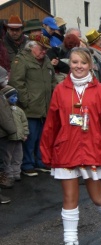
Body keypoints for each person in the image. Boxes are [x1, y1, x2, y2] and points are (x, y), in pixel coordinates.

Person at [40, 47, 101, 245]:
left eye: (83, 63)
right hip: (66, 149)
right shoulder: (60, 90)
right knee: (69, 198)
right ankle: (70, 242)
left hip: (92, 149)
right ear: (69, 64)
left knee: (97, 197)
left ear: (90, 65)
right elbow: (52, 123)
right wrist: (46, 151)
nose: (78, 66)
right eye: (74, 62)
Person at [9, 34, 57, 177]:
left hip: (45, 106)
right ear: (32, 47)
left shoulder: (46, 60)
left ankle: (40, 161)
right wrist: (26, 101)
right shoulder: (22, 60)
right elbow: (17, 83)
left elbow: (52, 80)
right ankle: (28, 164)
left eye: (46, 49)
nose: (44, 52)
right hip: (30, 107)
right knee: (30, 137)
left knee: (43, 136)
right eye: (42, 48)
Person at [0, 85, 28, 183]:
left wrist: (25, 133)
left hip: (19, 138)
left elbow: (24, 122)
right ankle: (9, 174)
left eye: (16, 96)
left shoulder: (19, 111)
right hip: (9, 138)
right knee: (7, 157)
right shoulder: (4, 110)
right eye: (12, 96)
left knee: (18, 156)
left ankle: (16, 173)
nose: (15, 98)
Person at [0, 67, 17, 190]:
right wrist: (12, 129)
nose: (7, 79)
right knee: (3, 160)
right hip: (2, 134)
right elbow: (4, 117)